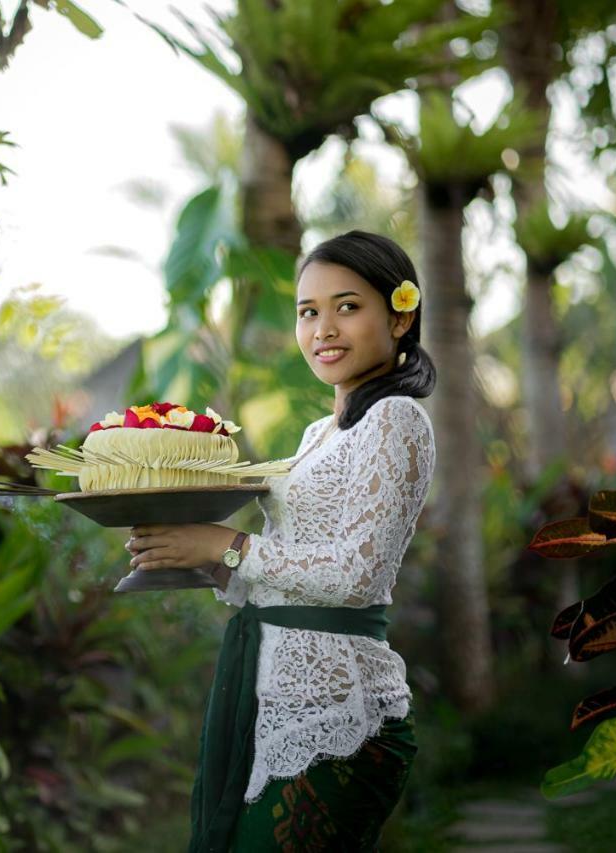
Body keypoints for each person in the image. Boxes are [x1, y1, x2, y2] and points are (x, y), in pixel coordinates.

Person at [126, 230, 437, 852]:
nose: (324, 329)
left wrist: (226, 546)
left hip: (336, 712)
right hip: (271, 704)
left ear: (400, 315)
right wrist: (190, 553)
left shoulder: (395, 417)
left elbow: (357, 575)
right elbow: (281, 570)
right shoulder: (321, 431)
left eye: (347, 307)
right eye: (308, 312)